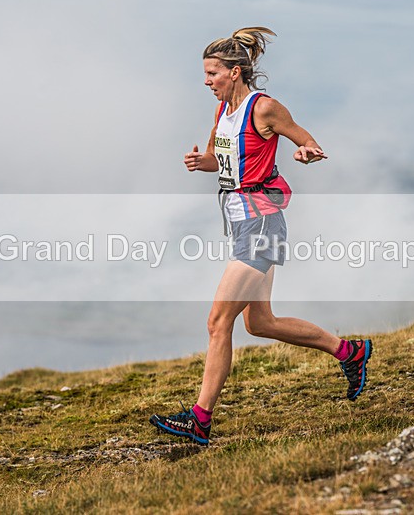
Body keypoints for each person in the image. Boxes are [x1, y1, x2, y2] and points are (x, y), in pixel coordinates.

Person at [150, 27, 372, 446]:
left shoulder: (264, 107)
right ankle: (350, 352)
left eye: (212, 73)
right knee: (260, 323)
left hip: (262, 224)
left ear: (234, 72)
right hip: (241, 223)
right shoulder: (223, 111)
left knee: (218, 322)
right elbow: (221, 160)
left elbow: (306, 140)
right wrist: (201, 162)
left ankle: (199, 419)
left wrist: (306, 151)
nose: (206, 81)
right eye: (206, 74)